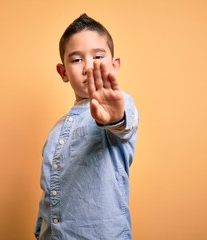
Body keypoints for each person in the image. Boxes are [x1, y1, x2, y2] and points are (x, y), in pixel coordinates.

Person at [34, 13, 139, 239]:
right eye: (76, 59)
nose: (88, 68)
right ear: (63, 72)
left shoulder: (121, 104)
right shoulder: (55, 131)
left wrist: (112, 118)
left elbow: (121, 125)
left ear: (114, 65)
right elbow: (49, 194)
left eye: (98, 57)